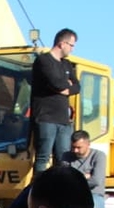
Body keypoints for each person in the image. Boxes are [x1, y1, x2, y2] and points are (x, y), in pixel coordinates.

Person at [31, 29, 80, 175]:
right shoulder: (43, 60)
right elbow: (56, 83)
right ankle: (38, 191)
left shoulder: (66, 64)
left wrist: (67, 87)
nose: (72, 48)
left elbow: (77, 87)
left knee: (64, 160)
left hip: (63, 120)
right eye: (71, 45)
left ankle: (60, 191)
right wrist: (66, 85)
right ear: (61, 43)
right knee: (43, 157)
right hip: (46, 118)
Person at [62, 129, 107, 208]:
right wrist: (84, 177)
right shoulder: (66, 156)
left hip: (93, 194)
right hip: (72, 196)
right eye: (73, 147)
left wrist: (75, 179)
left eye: (79, 147)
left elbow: (96, 181)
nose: (75, 150)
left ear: (88, 144)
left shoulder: (99, 156)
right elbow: (65, 181)